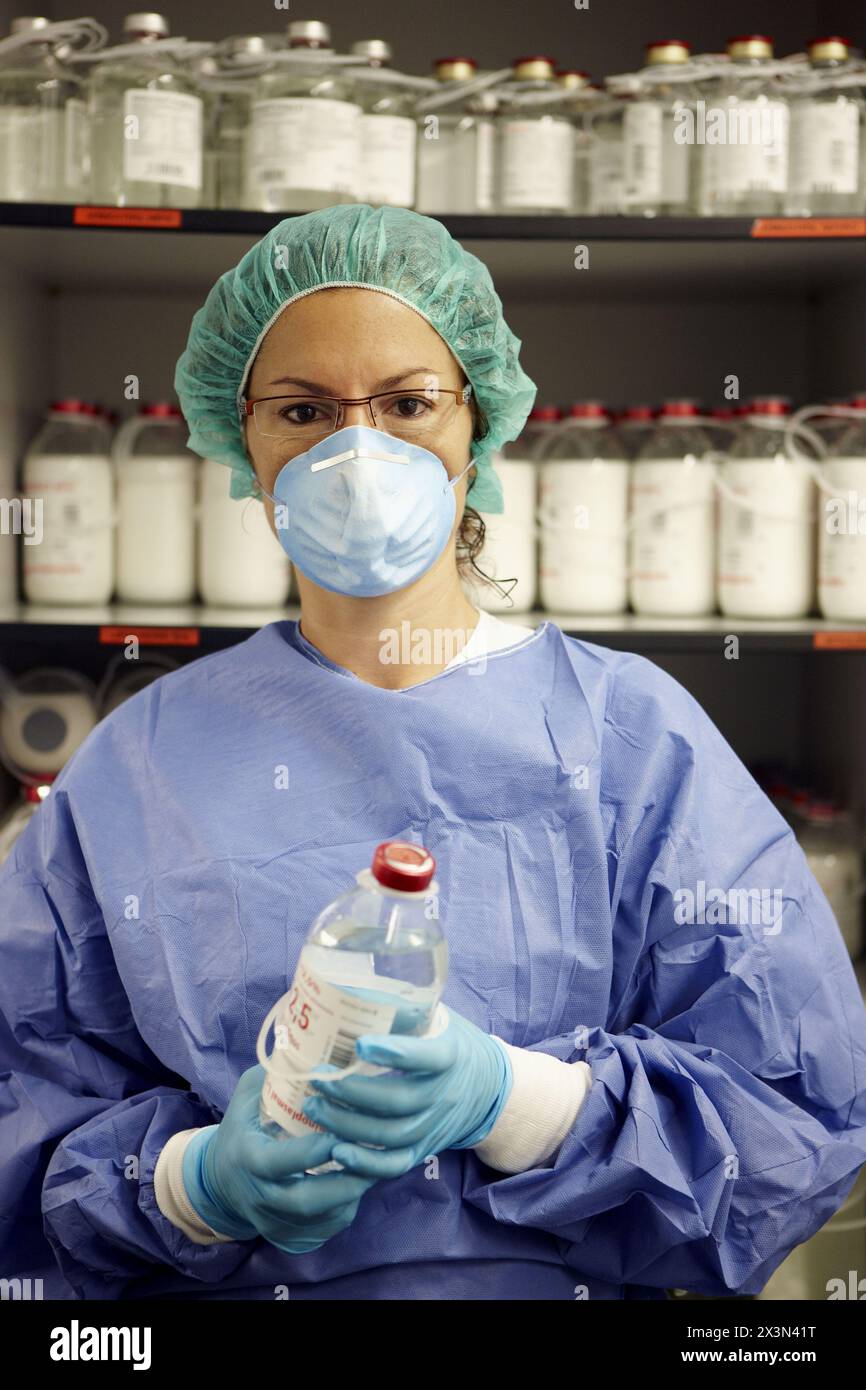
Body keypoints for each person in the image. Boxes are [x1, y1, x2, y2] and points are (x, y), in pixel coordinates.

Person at [1, 204, 865, 1302]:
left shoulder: (629, 738)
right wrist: (189, 1183)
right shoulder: (139, 764)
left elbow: (791, 1118)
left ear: (478, 426)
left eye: (407, 403)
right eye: (304, 409)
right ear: (241, 440)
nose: (356, 453)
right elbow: (27, 1104)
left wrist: (511, 1101)